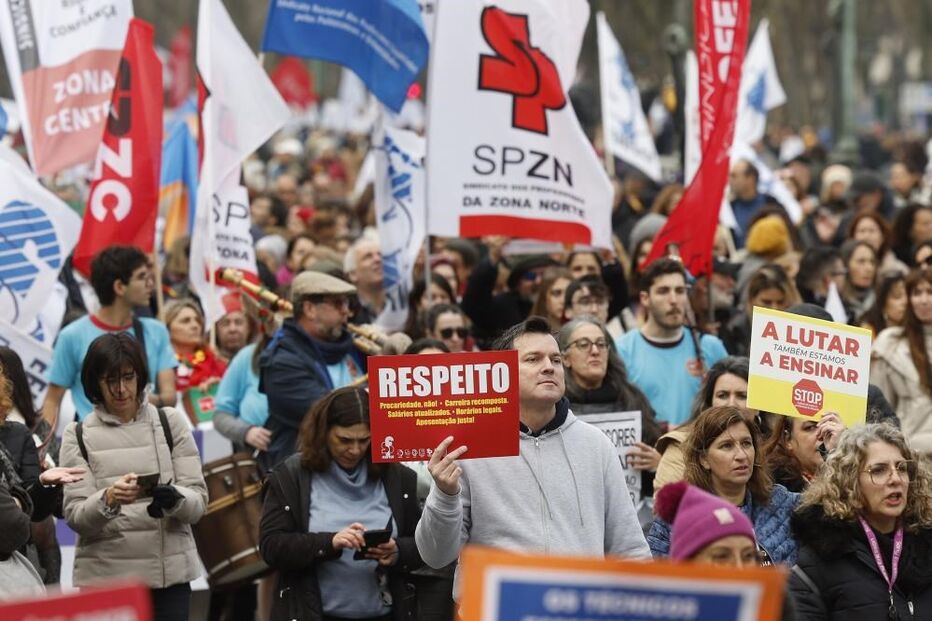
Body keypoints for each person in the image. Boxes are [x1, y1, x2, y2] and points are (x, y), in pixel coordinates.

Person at [415, 317, 651, 596]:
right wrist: (444, 494)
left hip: (576, 612)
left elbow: (630, 548)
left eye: (555, 359)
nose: (549, 367)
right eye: (533, 359)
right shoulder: (470, 448)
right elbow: (435, 555)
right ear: (501, 373)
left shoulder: (596, 444)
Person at [59, 333, 207, 620]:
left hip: (169, 581)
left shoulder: (170, 421)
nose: (121, 389)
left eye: (128, 377)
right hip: (107, 584)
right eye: (110, 380)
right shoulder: (76, 434)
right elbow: (76, 517)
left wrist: (176, 498)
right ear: (94, 383)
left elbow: (199, 503)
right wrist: (108, 499)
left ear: (140, 377)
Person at [259, 386, 423, 621]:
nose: (354, 450)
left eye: (364, 440)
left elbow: (424, 545)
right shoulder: (291, 477)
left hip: (385, 611)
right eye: (344, 440)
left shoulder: (396, 476)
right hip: (315, 613)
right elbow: (271, 547)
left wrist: (397, 550)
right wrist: (330, 542)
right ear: (324, 432)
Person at [789, 424, 932, 619]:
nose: (895, 479)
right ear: (851, 483)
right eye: (879, 470)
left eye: (902, 468)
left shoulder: (927, 546)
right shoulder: (820, 562)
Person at [647, 406, 800, 565]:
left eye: (746, 444)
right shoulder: (675, 518)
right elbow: (659, 581)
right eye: (727, 446)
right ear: (703, 459)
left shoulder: (781, 502)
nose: (742, 455)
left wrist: (827, 451)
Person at [43, 245, 178, 424]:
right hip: (94, 444)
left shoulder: (156, 331)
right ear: (119, 287)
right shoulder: (71, 335)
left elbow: (170, 396)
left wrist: (150, 400)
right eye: (141, 277)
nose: (150, 284)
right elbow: (52, 400)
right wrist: (45, 447)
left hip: (144, 440)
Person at [260, 271, 367, 469]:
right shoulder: (282, 361)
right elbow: (330, 414)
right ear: (309, 309)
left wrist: (391, 361)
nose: (346, 312)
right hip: (308, 469)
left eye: (347, 304)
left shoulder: (350, 345)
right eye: (338, 304)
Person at [557, 316, 662, 500]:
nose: (595, 351)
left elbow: (656, 456)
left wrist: (657, 464)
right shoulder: (554, 405)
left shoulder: (633, 398)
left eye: (601, 343)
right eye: (583, 344)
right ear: (565, 358)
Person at [615, 258, 728, 425]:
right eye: (663, 291)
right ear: (645, 298)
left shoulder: (710, 346)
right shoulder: (623, 350)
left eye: (680, 291)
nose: (674, 299)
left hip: (699, 448)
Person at [654, 356, 766, 494]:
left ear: (759, 407)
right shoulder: (681, 444)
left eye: (742, 396)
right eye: (722, 395)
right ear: (709, 403)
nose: (731, 404)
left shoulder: (776, 446)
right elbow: (666, 507)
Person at [871, 268, 932, 454]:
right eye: (917, 293)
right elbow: (878, 410)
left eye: (930, 292)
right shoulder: (889, 344)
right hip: (911, 452)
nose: (924, 300)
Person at [163, 300, 227, 423]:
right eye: (185, 321)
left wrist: (220, 384)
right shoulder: (161, 363)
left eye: (197, 320)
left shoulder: (215, 359)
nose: (195, 325)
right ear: (167, 328)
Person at [722, 264, 796, 356]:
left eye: (780, 302)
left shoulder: (800, 329)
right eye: (766, 302)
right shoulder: (736, 330)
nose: (775, 309)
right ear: (752, 299)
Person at [763, 413, 845, 492]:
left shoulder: (852, 478)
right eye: (810, 428)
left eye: (831, 424)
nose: (823, 433)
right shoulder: (771, 485)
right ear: (787, 439)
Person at [344, 237, 385, 324]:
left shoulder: (403, 303)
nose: (378, 259)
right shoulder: (346, 312)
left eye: (380, 254)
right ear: (353, 274)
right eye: (368, 257)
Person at [840, 240, 878, 321]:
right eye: (861, 261)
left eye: (872, 262)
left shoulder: (881, 301)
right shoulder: (835, 302)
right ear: (845, 265)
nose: (869, 268)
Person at [860, 272, 908, 336]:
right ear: (882, 304)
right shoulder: (867, 331)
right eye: (897, 296)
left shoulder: (918, 330)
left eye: (909, 296)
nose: (905, 302)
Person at [529, 268, 572, 332]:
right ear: (543, 298)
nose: (563, 300)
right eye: (557, 293)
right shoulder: (530, 334)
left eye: (569, 293)